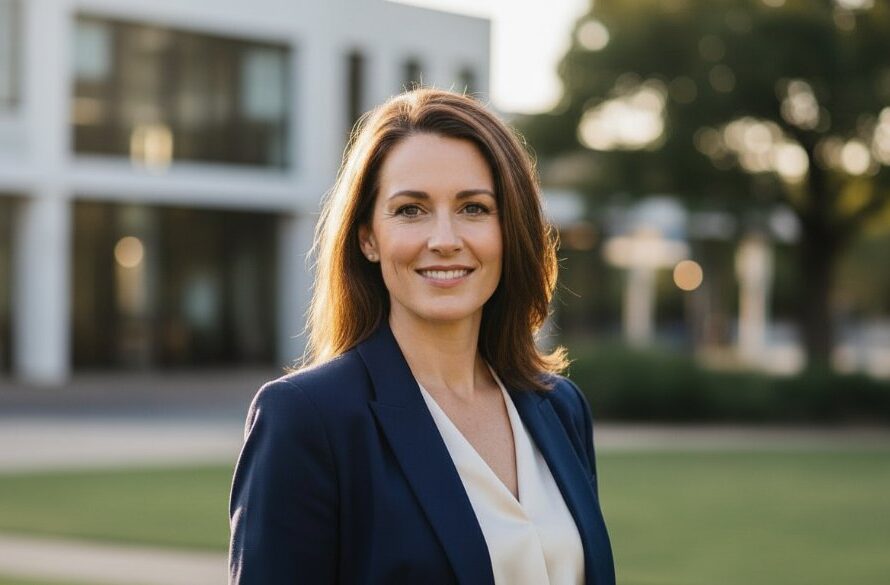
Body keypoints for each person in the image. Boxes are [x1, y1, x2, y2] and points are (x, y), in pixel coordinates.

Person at [228, 88, 615, 585]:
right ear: (368, 236)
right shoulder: (308, 418)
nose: (445, 239)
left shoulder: (560, 407)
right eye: (411, 210)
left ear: (509, 228)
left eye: (474, 208)